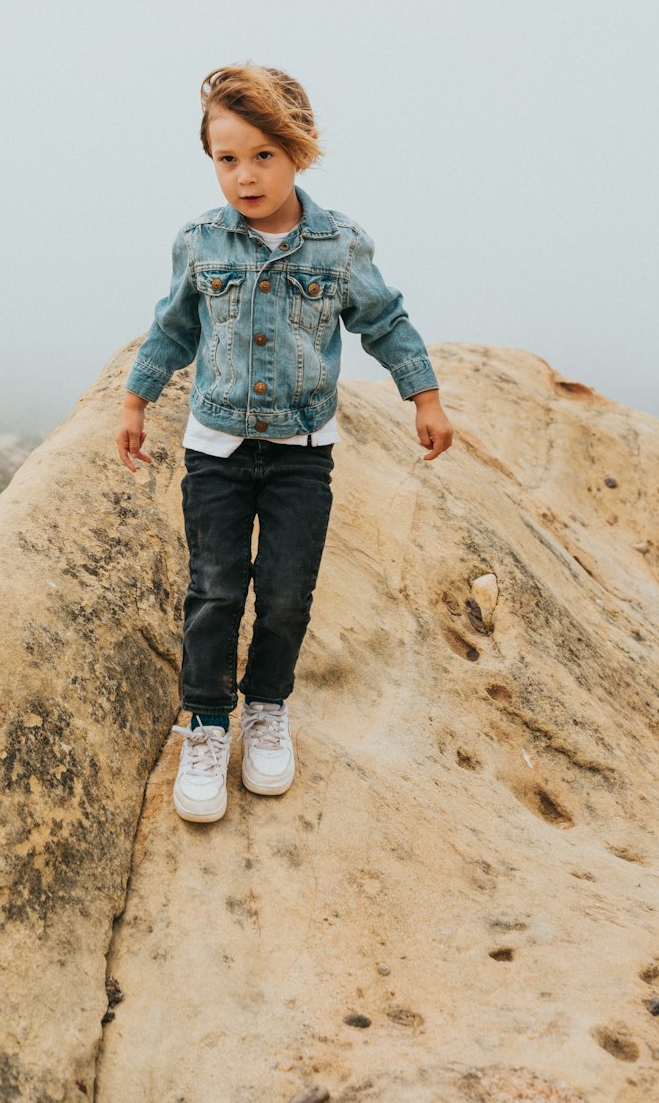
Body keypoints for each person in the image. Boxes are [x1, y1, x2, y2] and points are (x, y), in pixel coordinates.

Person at [116, 64, 453, 823]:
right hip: (216, 452)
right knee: (214, 592)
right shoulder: (200, 242)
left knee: (286, 594)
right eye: (227, 158)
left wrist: (423, 394)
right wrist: (135, 400)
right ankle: (206, 722)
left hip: (303, 453)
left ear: (299, 150)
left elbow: (386, 322)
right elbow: (173, 328)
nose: (244, 174)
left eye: (264, 155)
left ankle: (266, 707)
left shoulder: (337, 245)